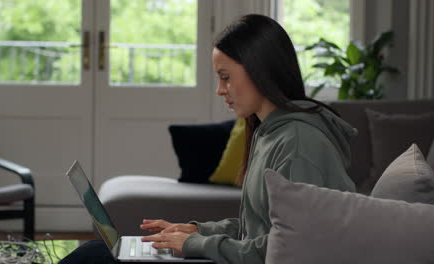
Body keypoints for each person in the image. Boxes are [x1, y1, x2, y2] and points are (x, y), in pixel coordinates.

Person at [59, 14, 356, 264]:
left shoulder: (300, 144)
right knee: (97, 252)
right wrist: (194, 231)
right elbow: (259, 231)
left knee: (93, 258)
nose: (219, 89)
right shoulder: (270, 133)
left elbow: (290, 250)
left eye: (226, 77)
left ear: (261, 71)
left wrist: (194, 245)